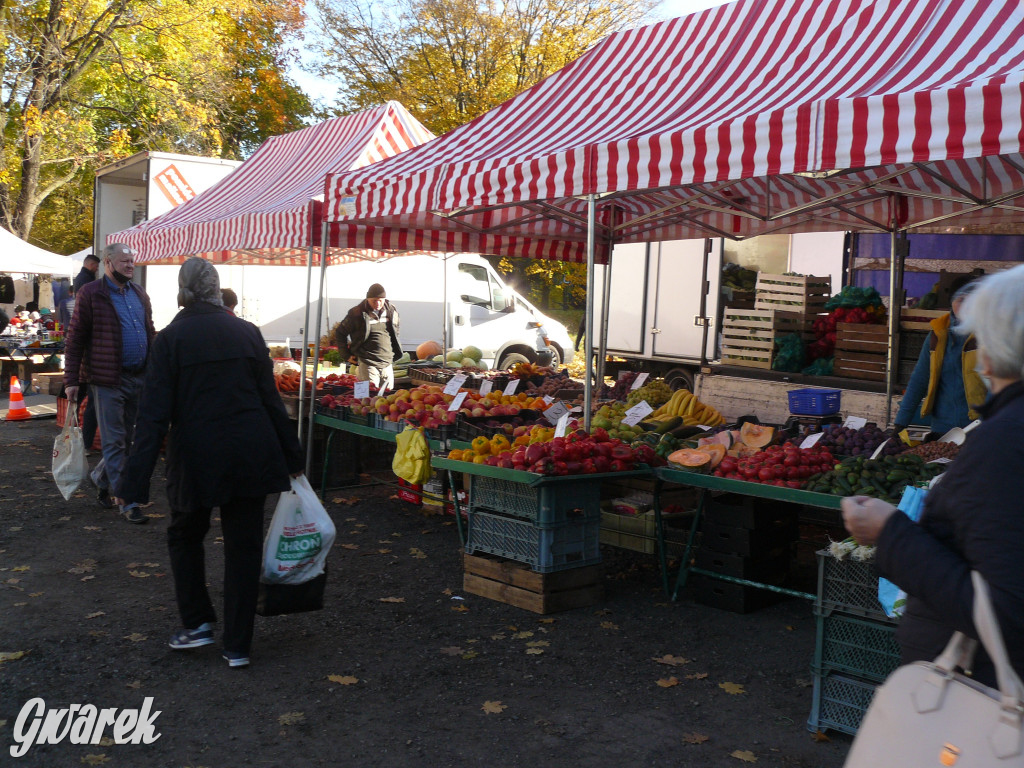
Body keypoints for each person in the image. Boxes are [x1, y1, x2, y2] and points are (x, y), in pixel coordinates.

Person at [842, 265, 1024, 687]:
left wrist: (890, 532)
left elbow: (1003, 607)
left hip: (978, 695)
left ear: (996, 348)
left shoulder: (1005, 444)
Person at [117, 258, 304, 669]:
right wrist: (293, 456)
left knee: (185, 534)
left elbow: (152, 416)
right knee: (244, 547)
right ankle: (238, 646)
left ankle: (198, 622)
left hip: (197, 455)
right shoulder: (247, 332)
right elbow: (271, 402)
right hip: (250, 452)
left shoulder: (170, 339)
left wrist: (134, 484)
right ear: (217, 288)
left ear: (183, 289)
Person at [63, 243, 155, 522]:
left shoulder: (139, 293)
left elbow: (149, 331)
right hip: (107, 380)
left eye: (132, 261)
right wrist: (71, 379)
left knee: (128, 440)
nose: (130, 265)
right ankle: (127, 501)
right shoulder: (91, 293)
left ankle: (100, 477)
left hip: (138, 376)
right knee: (115, 440)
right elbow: (75, 338)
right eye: (124, 261)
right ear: (108, 263)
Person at [893, 277, 987, 436]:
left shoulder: (990, 335)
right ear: (951, 302)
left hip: (979, 429)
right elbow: (919, 379)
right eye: (961, 300)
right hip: (942, 428)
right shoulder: (937, 335)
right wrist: (900, 423)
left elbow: (999, 387)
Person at [334, 283, 401, 391]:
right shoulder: (356, 313)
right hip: (367, 363)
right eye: (374, 300)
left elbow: (396, 330)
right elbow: (340, 333)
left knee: (388, 398)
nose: (378, 303)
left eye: (381, 300)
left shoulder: (391, 311)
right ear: (368, 299)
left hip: (387, 363)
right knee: (365, 398)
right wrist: (345, 355)